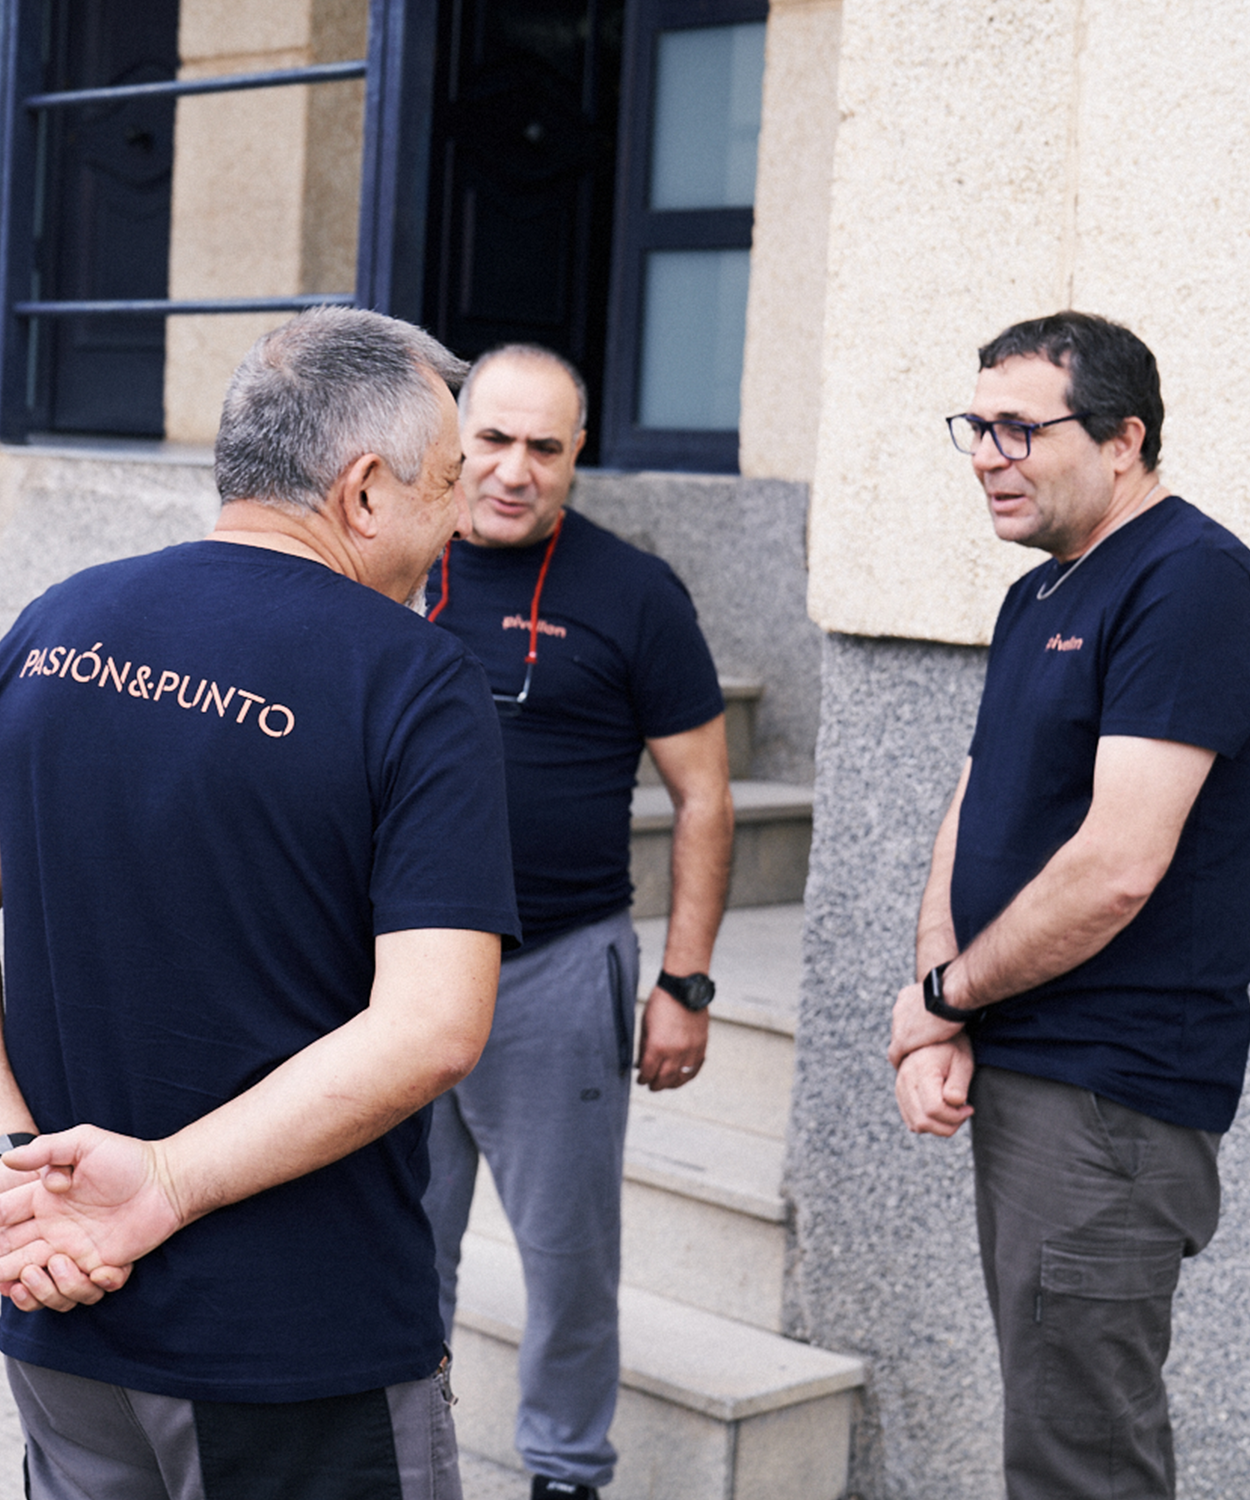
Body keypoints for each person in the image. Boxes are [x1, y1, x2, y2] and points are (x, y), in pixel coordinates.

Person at [0, 306, 523, 1500]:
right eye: (446, 485)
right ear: (363, 491)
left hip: (63, 1317)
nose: (457, 523)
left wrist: (7, 1168)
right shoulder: (414, 679)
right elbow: (435, 1024)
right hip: (291, 1352)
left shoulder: (58, 621)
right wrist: (161, 1185)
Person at [888, 312, 1250, 1499]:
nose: (987, 455)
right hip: (1025, 1060)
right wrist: (942, 1003)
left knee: (1082, 1461)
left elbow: (1117, 864)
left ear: (1124, 440)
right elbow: (976, 805)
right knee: (1052, 1424)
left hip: (1109, 1091)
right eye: (976, 427)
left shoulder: (1189, 581)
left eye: (1020, 428)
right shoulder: (1039, 595)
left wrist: (947, 997)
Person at [421, 345, 734, 1500]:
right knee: (400, 1247)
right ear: (455, 437)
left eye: (544, 449)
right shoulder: (395, 560)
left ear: (577, 454)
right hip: (399, 970)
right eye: (493, 441)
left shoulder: (635, 592)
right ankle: (406, 1455)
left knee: (567, 1259)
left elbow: (705, 798)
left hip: (558, 968)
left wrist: (685, 984)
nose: (515, 471)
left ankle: (564, 1471)